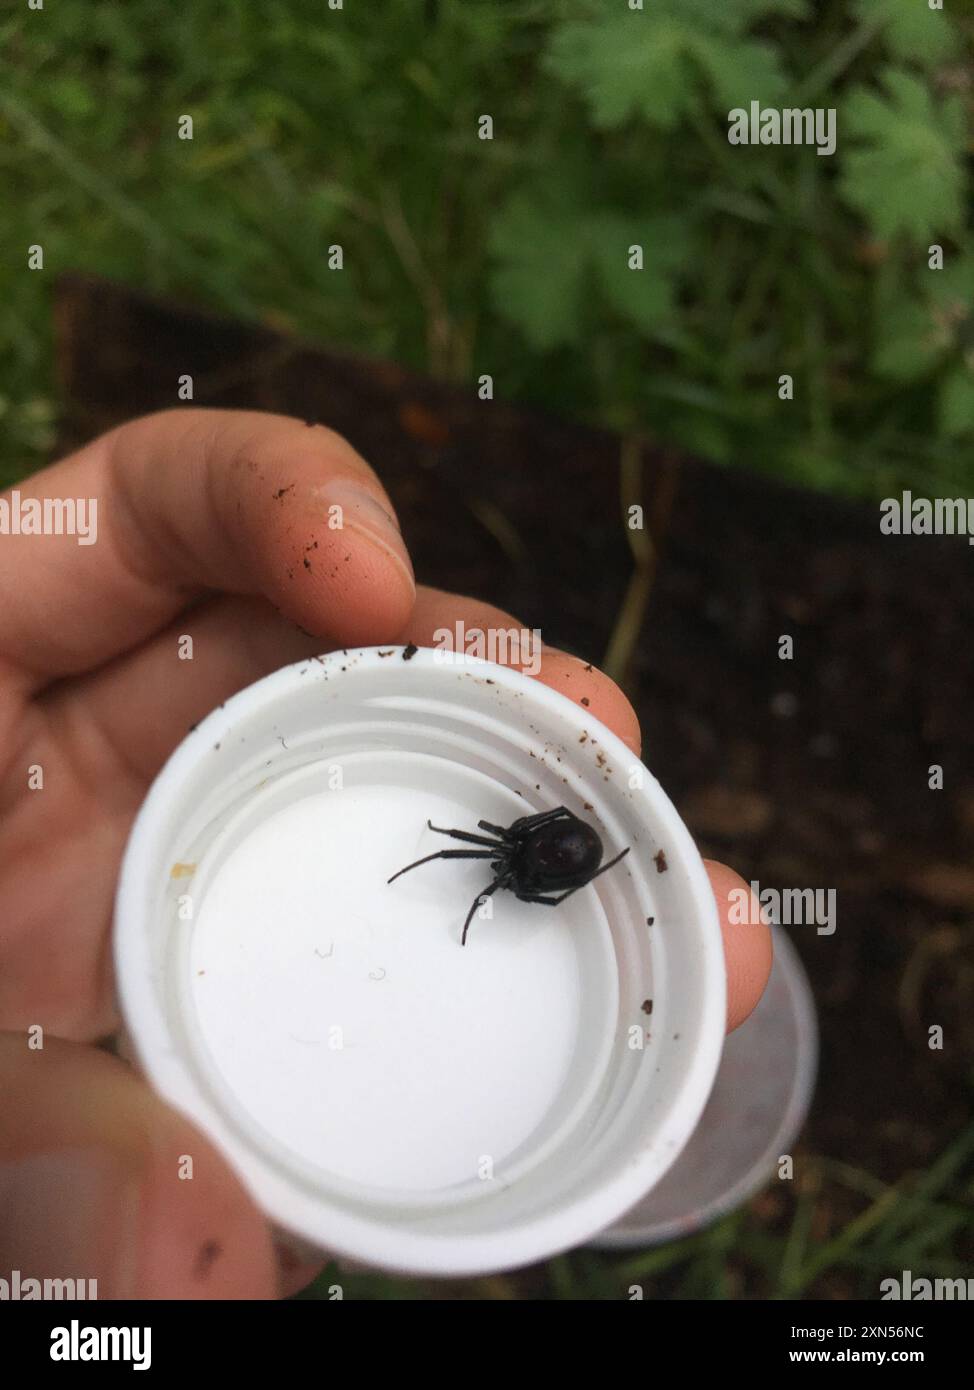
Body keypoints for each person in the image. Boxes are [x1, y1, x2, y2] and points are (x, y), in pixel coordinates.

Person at [0, 409, 773, 1298]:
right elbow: (525, 854)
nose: (490, 879)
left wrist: (526, 863)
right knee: (503, 786)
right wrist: (512, 864)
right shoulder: (516, 857)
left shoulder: (521, 856)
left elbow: (531, 853)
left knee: (516, 806)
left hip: (561, 845)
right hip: (558, 845)